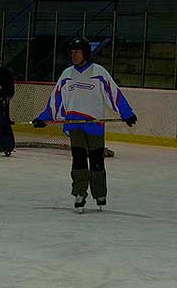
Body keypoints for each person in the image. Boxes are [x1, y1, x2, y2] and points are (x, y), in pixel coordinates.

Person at [32, 37, 137, 212]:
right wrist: (45, 117)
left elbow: (114, 94)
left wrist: (126, 113)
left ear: (86, 53)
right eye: (72, 53)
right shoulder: (67, 74)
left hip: (94, 125)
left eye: (77, 52)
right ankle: (79, 192)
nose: (74, 55)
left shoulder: (99, 72)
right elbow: (56, 99)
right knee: (79, 160)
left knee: (97, 161)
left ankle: (100, 193)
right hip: (74, 124)